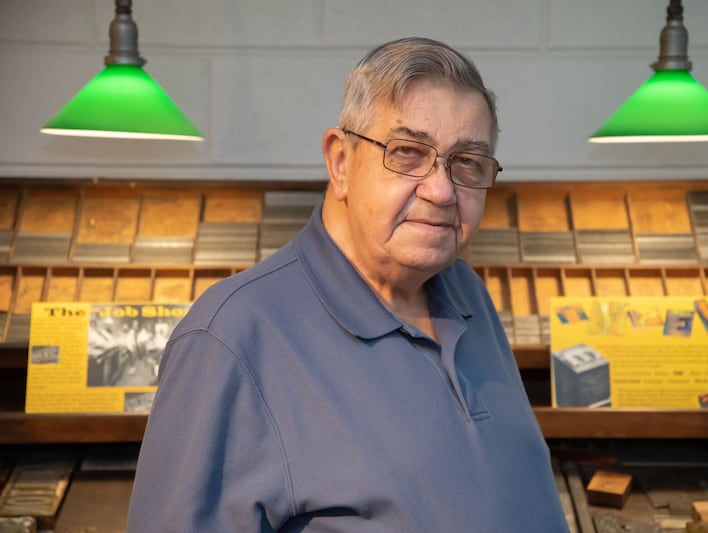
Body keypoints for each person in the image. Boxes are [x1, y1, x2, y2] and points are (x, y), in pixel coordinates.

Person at [127, 36, 569, 532]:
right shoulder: (231, 338)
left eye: (467, 161)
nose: (443, 190)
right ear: (340, 162)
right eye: (407, 152)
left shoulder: (467, 292)